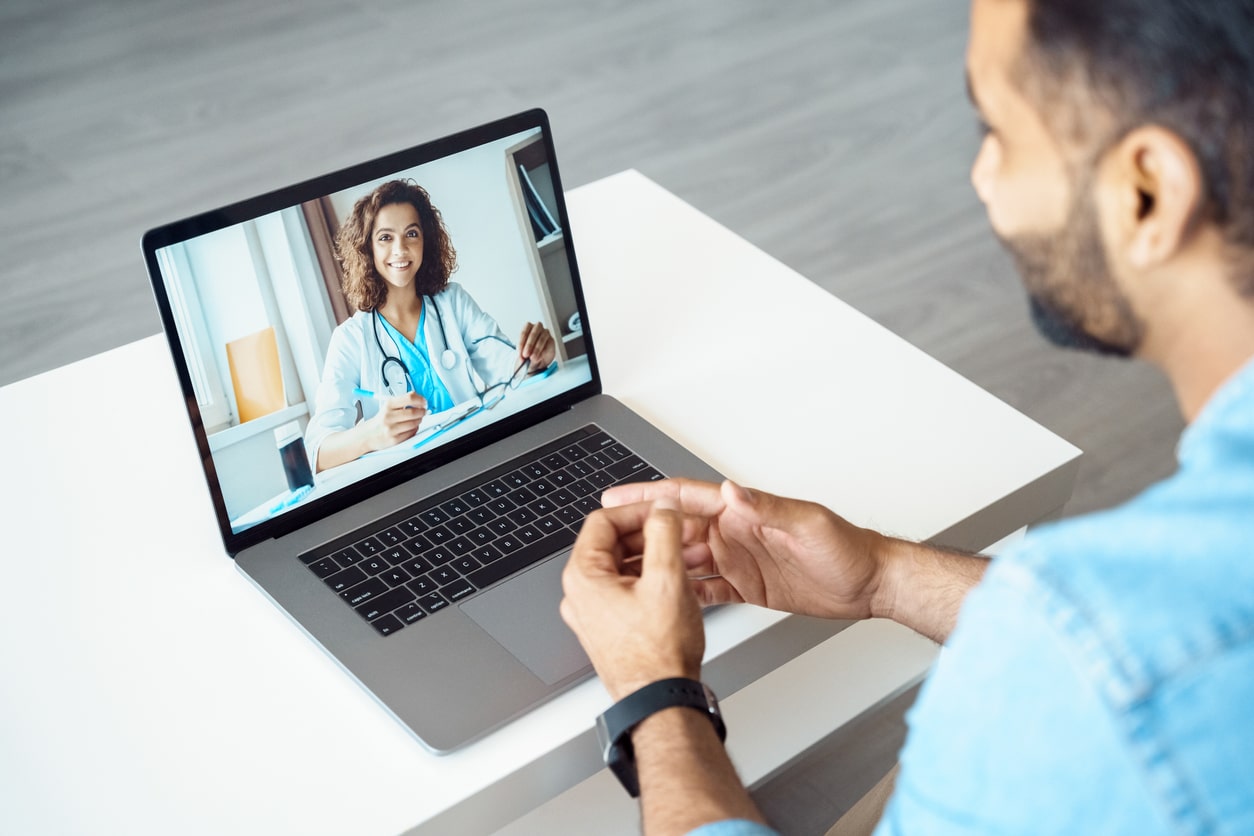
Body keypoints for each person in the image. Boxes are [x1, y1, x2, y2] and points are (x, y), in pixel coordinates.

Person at [560, 0, 1254, 833]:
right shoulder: (1125, 623)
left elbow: (1107, 659)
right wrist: (884, 576)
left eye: (996, 129)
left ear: (1147, 191)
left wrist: (655, 693)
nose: (981, 175)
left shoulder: (1079, 683)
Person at [305, 179, 555, 473]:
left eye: (411, 233)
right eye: (385, 237)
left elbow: (508, 369)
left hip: (480, 457)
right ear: (367, 248)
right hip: (411, 481)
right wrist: (372, 433)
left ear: (426, 240)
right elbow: (319, 452)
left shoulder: (453, 302)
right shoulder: (349, 339)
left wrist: (535, 359)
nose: (401, 249)